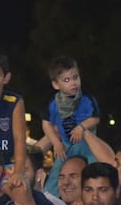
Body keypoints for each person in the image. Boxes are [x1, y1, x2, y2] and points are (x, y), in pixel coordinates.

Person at [41, 56, 100, 197]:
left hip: (88, 145)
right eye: (66, 80)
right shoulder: (53, 104)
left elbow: (95, 118)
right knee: (57, 173)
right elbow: (46, 124)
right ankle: (50, 200)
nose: (73, 83)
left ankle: (92, 198)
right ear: (56, 84)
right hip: (66, 145)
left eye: (75, 77)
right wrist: (56, 143)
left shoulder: (87, 98)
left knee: (95, 173)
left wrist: (81, 127)